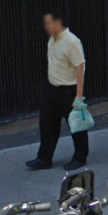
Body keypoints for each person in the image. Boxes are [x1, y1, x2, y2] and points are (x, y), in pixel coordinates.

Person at [26, 9, 89, 171]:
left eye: (48, 23)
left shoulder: (72, 41)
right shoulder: (52, 40)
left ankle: (80, 157)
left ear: (57, 22)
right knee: (47, 123)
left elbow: (80, 68)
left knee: (76, 124)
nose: (46, 26)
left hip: (69, 90)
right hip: (52, 89)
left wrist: (79, 96)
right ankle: (44, 158)